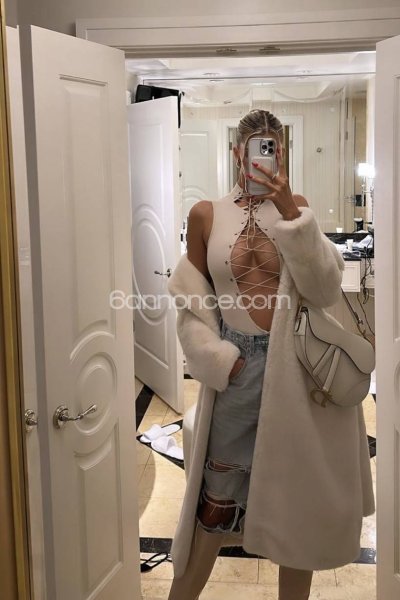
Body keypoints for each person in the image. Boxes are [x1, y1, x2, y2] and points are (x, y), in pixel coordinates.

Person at [166, 109, 375, 600]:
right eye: (256, 148)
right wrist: (218, 358)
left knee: (295, 507)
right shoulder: (205, 214)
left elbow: (323, 290)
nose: (265, 157)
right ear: (237, 152)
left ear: (282, 152)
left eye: (274, 148)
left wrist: (291, 214)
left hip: (295, 369)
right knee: (215, 505)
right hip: (236, 370)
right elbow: (192, 303)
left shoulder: (297, 207)